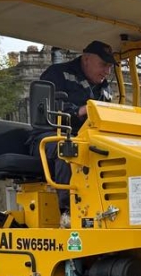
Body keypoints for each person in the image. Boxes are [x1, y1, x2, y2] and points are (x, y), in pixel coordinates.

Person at [32, 40, 116, 224]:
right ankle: (70, 212)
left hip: (87, 138)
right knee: (69, 148)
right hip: (49, 135)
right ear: (86, 59)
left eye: (110, 67)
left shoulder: (105, 88)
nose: (107, 71)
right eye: (103, 65)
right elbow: (46, 108)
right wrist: (79, 111)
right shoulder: (57, 74)